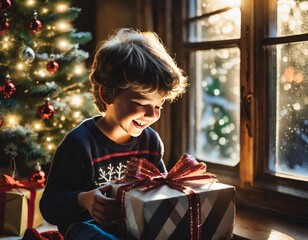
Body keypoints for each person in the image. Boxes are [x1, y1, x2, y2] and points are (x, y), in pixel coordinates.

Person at [39, 28, 187, 240]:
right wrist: (84, 200)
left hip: (133, 222)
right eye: (142, 103)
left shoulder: (150, 141)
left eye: (159, 106)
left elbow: (160, 189)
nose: (152, 115)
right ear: (107, 94)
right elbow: (50, 206)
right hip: (85, 225)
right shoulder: (80, 143)